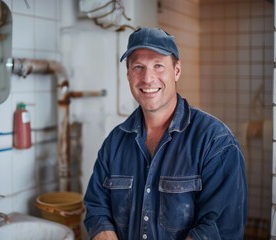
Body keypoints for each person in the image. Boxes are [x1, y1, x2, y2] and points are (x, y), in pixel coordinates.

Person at [83, 27, 247, 240]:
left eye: (158, 66)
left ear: (176, 70)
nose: (147, 79)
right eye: (138, 67)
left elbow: (221, 227)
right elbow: (97, 208)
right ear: (128, 74)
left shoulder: (216, 143)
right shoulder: (115, 142)